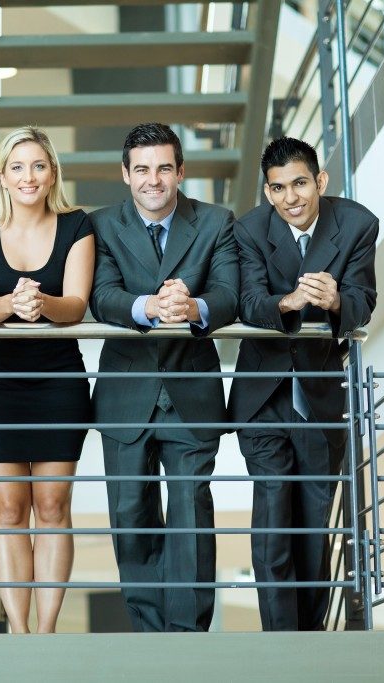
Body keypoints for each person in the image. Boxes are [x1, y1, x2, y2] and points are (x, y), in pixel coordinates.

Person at [88, 122, 239, 633]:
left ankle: (188, 636)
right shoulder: (102, 224)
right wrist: (147, 307)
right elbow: (101, 295)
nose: (154, 180)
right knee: (130, 515)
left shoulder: (216, 221)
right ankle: (150, 635)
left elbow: (228, 293)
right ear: (125, 174)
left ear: (180, 171)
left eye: (164, 168)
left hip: (191, 390)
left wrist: (192, 306)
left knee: (191, 514)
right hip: (126, 394)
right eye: (143, 169)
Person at [229, 136, 378, 631]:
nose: (291, 197)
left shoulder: (356, 224)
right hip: (263, 397)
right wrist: (289, 302)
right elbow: (248, 302)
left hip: (318, 394)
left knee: (314, 528)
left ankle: (310, 642)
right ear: (267, 192)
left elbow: (364, 301)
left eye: (299, 183)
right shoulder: (249, 229)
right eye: (278, 188)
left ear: (320, 181)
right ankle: (280, 644)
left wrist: (336, 301)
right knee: (273, 526)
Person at [0, 126, 94, 634]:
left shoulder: (77, 224)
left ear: (53, 172)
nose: (29, 176)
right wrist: (12, 306)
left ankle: (46, 630)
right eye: (17, 167)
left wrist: (43, 305)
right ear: (2, 175)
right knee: (9, 508)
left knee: (53, 504)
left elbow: (76, 305)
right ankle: (18, 630)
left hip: (57, 376)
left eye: (38, 165)